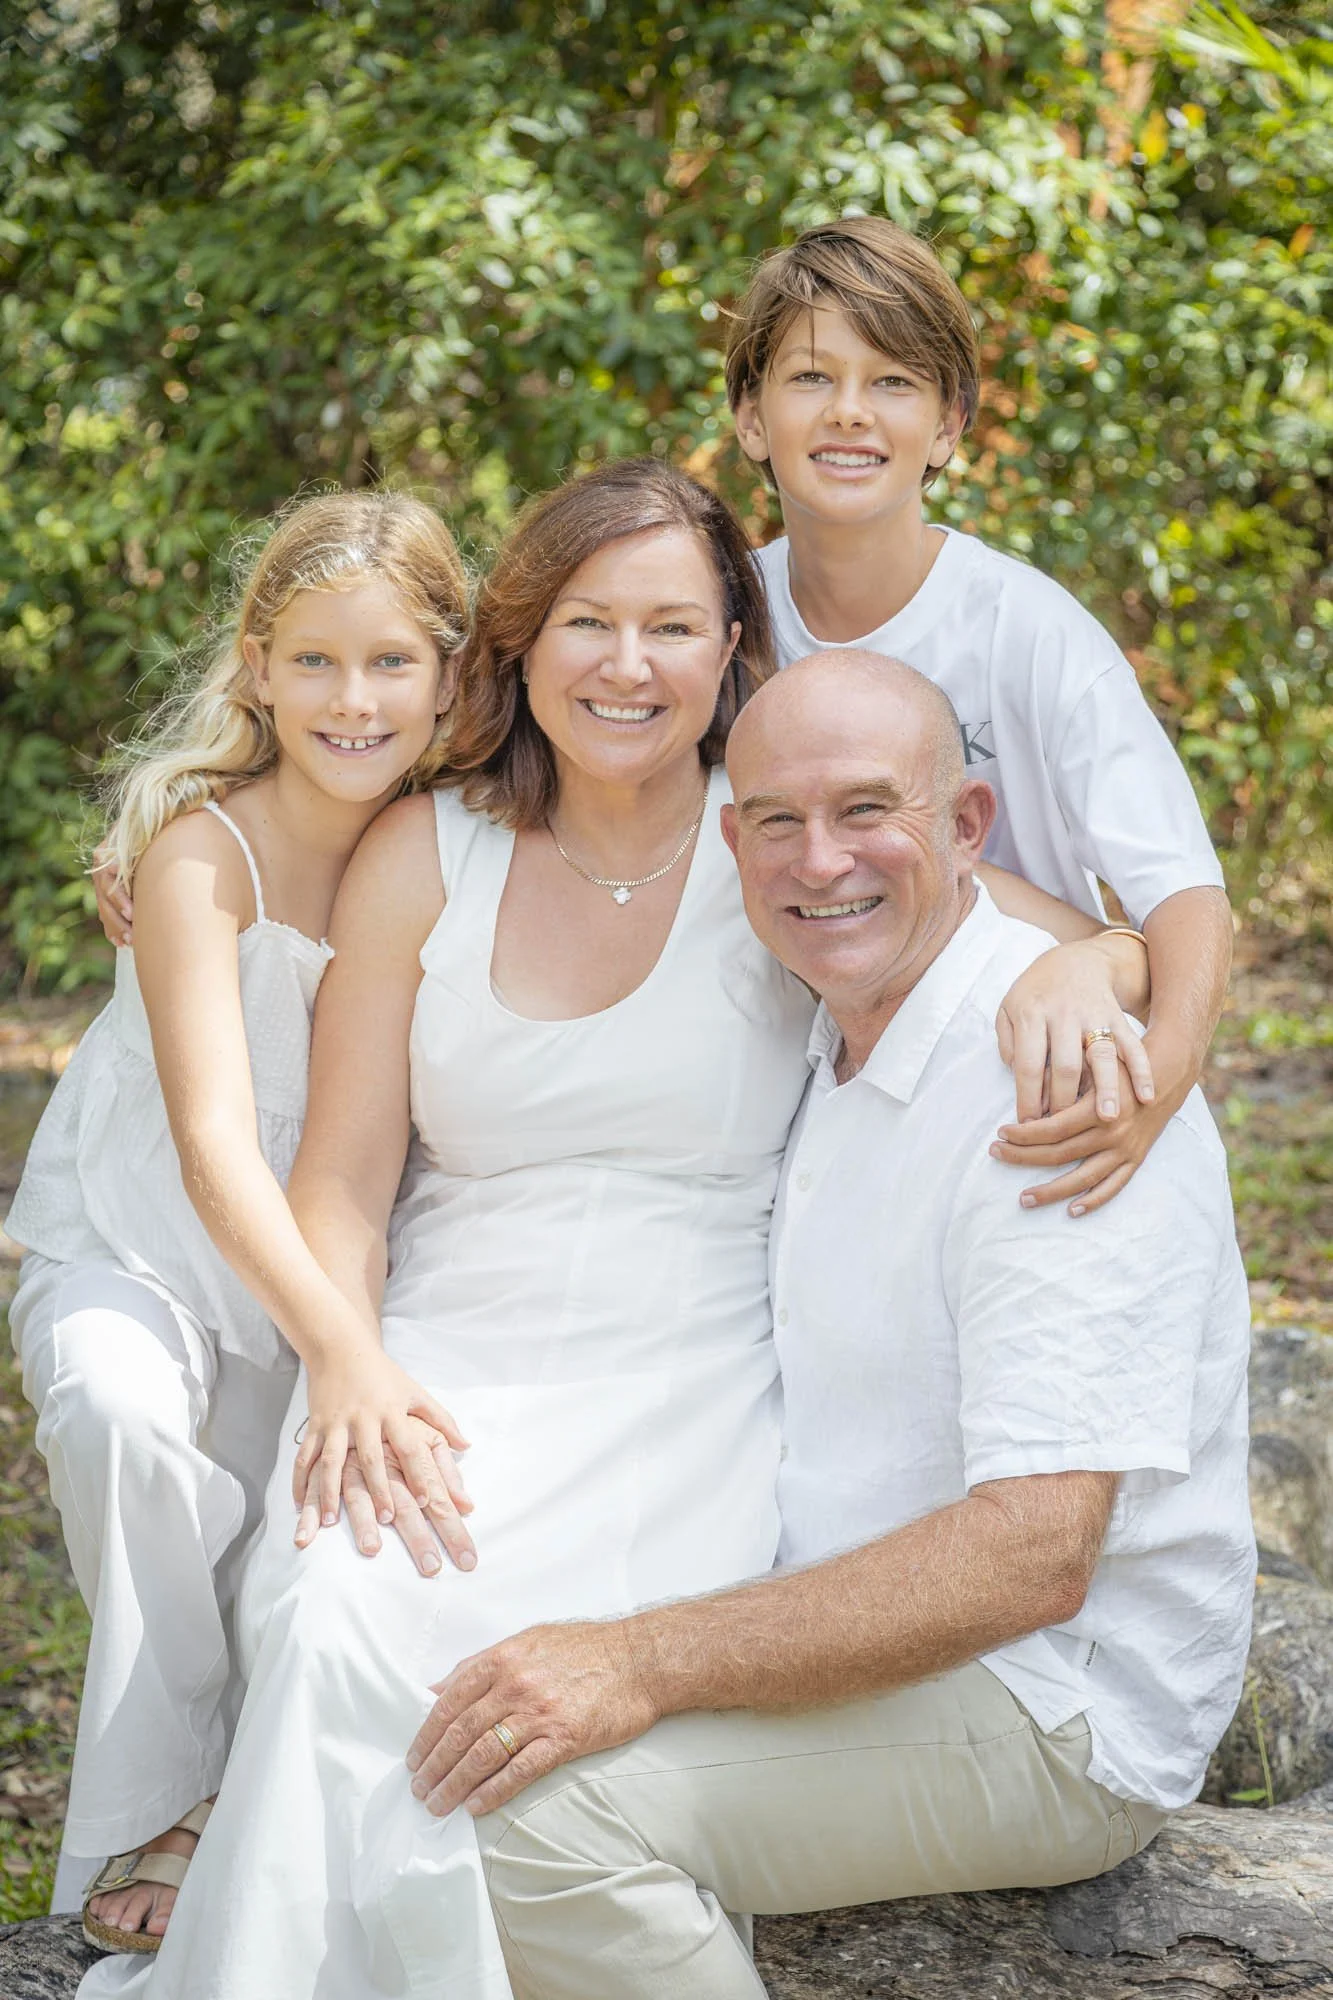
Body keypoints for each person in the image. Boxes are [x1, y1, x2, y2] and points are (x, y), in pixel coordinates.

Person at [80, 464, 1156, 2000]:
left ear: (733, 648)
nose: (627, 663)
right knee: (327, 1605)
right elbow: (342, 1177)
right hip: (442, 1349)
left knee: (532, 1698)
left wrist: (1100, 961)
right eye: (588, 621)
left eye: (672, 624)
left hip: (692, 1384)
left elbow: (1037, 928)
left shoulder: (780, 841)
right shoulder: (426, 849)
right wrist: (351, 1369)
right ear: (520, 644)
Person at [404, 652, 1256, 2000]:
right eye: (777, 822)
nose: (821, 862)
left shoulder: (1055, 1078)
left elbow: (1033, 1559)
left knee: (542, 1824)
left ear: (965, 827)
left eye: (869, 811)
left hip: (1049, 1697)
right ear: (731, 840)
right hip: (865, 1623)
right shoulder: (829, 1023)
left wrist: (641, 1661)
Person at [4, 491, 473, 1952]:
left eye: (392, 663)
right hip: (141, 1250)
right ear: (258, 667)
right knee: (122, 1422)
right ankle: (151, 1806)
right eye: (317, 662)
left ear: (452, 675)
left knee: (305, 1522)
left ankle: (257, 1808)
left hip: (327, 1258)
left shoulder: (459, 840)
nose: (354, 699)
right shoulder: (204, 856)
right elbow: (212, 1149)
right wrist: (342, 1346)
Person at [727, 216, 1234, 1216]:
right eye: (811, 378)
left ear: (949, 425)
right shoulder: (717, 621)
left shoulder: (1025, 628)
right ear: (750, 416)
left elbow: (1182, 891)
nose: (850, 414)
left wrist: (1155, 1067)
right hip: (787, 1094)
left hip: (1006, 1062)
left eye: (894, 383)